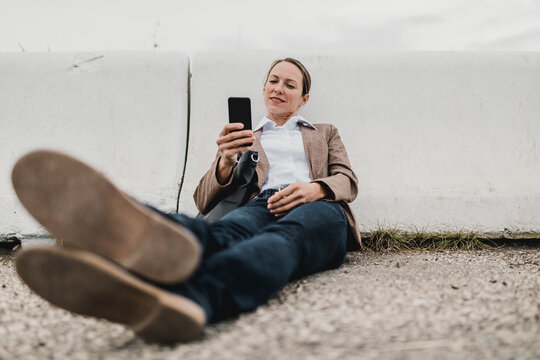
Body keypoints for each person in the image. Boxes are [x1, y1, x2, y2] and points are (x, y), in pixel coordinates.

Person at [12, 57, 360, 343]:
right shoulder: (245, 136)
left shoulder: (324, 132)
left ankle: (190, 292)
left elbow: (348, 180)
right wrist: (225, 160)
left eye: (289, 84)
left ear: (304, 98)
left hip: (319, 211)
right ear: (263, 87)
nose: (278, 88)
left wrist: (315, 189)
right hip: (261, 204)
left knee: (284, 240)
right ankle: (129, 235)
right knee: (225, 235)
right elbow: (204, 198)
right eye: (273, 80)